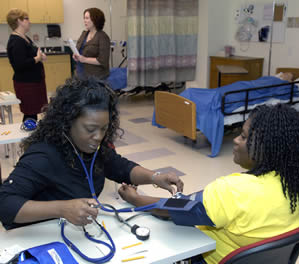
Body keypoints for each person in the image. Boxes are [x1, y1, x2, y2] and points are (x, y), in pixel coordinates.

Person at [119, 103, 299, 264]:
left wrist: (135, 199)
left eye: (244, 136)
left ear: (267, 148)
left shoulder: (233, 191)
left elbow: (173, 209)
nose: (237, 141)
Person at [0, 77, 183, 230]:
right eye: (90, 129)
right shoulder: (43, 156)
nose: (98, 137)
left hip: (74, 233)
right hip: (36, 236)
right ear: (67, 122)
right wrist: (62, 209)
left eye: (104, 129)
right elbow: (5, 203)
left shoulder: (94, 148)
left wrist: (155, 177)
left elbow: (121, 167)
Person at [6, 8, 48, 122]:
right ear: (19, 21)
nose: (29, 21)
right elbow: (20, 65)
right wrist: (37, 58)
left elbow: (32, 53)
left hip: (34, 82)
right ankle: (29, 137)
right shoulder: (16, 41)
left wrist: (40, 56)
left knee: (33, 113)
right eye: (26, 19)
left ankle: (32, 135)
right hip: (27, 84)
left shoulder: (24, 37)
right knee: (30, 114)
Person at [73, 8, 110, 80]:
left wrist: (85, 59)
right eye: (84, 18)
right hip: (80, 72)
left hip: (95, 77)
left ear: (95, 20)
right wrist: (76, 55)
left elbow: (103, 61)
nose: (84, 21)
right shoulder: (84, 34)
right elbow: (79, 49)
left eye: (87, 18)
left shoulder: (103, 37)